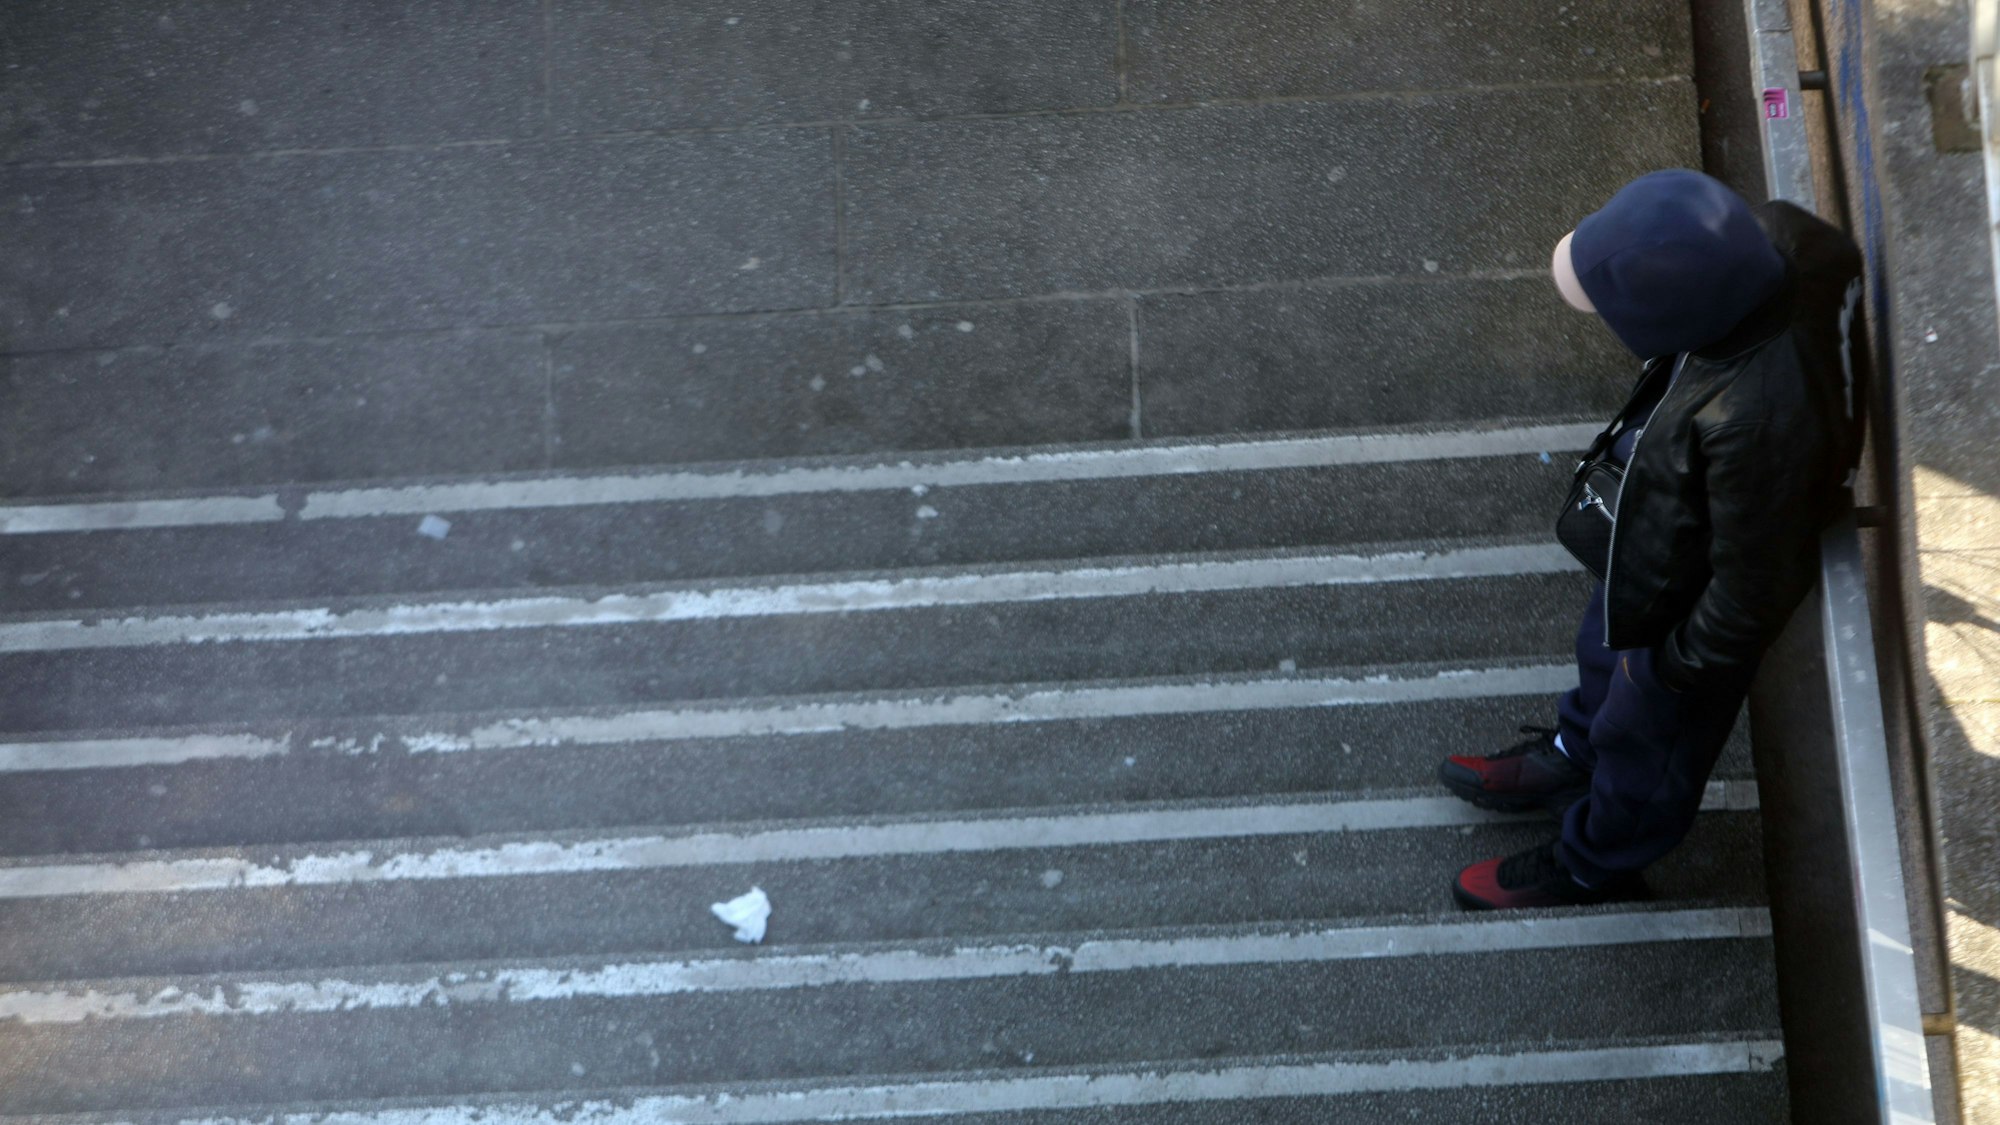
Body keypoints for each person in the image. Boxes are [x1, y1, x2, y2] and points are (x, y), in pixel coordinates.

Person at [1437, 169, 1866, 909]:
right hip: (1661, 543)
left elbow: (1753, 589)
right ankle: (1576, 751)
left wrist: (1671, 667)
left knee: (1649, 748)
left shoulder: (1759, 422)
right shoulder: (1772, 244)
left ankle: (1592, 860)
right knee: (1603, 650)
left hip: (1689, 622)